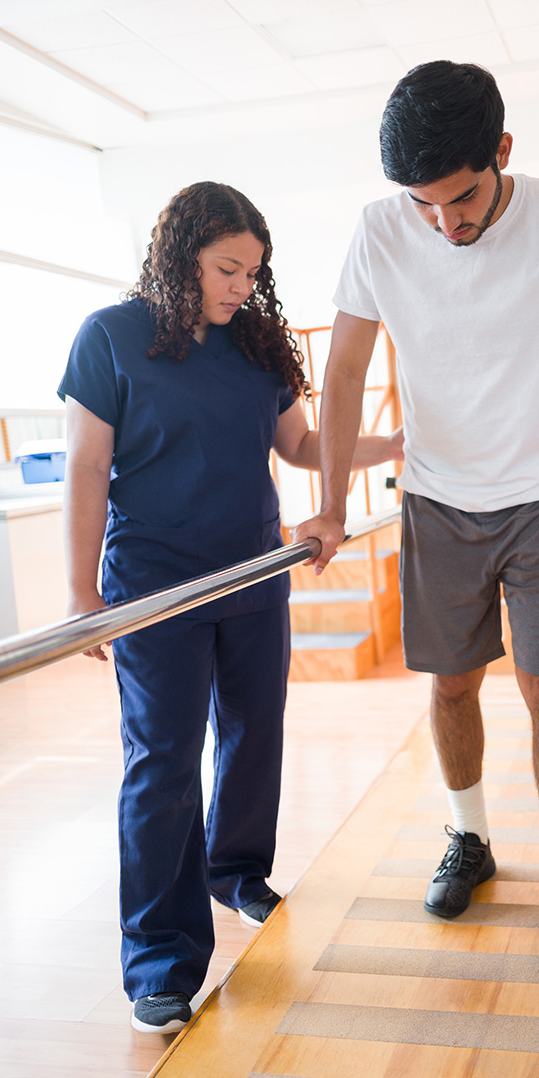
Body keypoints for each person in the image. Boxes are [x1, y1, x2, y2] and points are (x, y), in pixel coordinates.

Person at [293, 62, 539, 978]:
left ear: (503, 153)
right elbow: (349, 369)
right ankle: (470, 838)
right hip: (437, 502)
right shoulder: (379, 230)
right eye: (424, 205)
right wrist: (326, 505)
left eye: (462, 198)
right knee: (449, 687)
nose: (446, 223)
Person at [59, 181, 402, 1034]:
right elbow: (85, 469)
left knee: (256, 731)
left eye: (252, 272)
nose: (241, 286)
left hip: (253, 575)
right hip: (156, 589)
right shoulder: (111, 338)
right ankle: (160, 962)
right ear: (182, 257)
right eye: (226, 268)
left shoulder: (254, 345)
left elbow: (304, 445)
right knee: (163, 764)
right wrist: (80, 593)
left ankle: (237, 871)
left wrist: (395, 442)